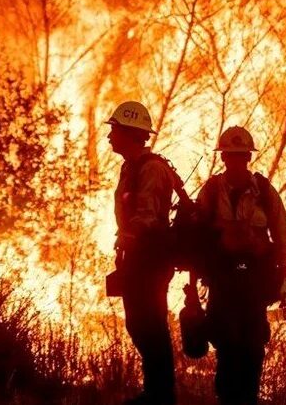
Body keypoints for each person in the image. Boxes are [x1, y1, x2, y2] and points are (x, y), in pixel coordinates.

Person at [196, 126, 286, 405]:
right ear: (223, 158)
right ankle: (227, 398)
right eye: (231, 155)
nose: (235, 161)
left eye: (241, 156)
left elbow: (282, 233)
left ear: (248, 158)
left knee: (253, 345)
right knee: (225, 342)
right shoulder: (211, 191)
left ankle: (248, 398)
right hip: (222, 280)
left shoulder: (264, 191)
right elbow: (197, 233)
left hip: (255, 282)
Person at [106, 101, 177, 405]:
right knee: (138, 324)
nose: (110, 137)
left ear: (131, 134)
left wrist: (130, 237)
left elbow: (148, 215)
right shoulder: (130, 167)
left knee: (151, 325)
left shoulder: (152, 169)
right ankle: (155, 392)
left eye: (115, 131)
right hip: (137, 257)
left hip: (152, 258)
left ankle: (160, 395)